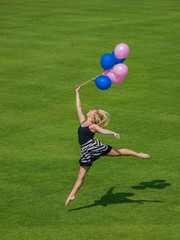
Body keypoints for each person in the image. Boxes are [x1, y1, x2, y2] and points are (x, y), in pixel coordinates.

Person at [65, 85, 150, 206]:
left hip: (93, 148)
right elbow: (78, 106)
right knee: (81, 175)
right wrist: (77, 92)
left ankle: (139, 154)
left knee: (119, 152)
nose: (89, 110)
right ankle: (72, 194)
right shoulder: (83, 121)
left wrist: (113, 132)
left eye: (92, 110)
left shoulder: (92, 126)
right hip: (87, 152)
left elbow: (103, 131)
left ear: (92, 116)